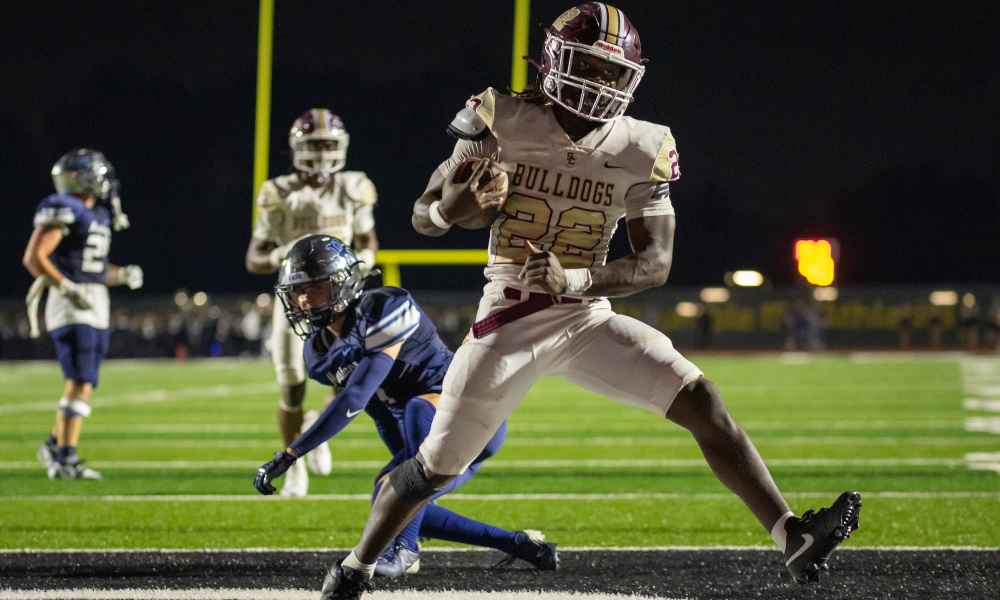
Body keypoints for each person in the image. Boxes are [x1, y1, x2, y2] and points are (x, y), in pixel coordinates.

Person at [320, 5, 862, 598]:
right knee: (432, 468)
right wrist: (455, 208)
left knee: (701, 398)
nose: (601, 84)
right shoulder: (501, 116)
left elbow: (655, 263)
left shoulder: (643, 144)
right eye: (589, 67)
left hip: (585, 316)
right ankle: (355, 568)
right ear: (556, 62)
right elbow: (424, 216)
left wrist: (576, 282)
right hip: (509, 317)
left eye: (612, 72)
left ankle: (792, 535)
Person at [253, 235, 558, 577]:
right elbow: (380, 413)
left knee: (414, 414)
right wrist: (404, 481)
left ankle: (406, 550)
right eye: (297, 291)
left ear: (343, 283)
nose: (305, 299)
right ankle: (524, 546)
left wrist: (292, 453)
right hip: (426, 436)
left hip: (472, 416)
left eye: (315, 288)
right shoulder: (319, 351)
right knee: (388, 498)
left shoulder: (385, 307)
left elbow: (356, 398)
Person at [246, 109, 380, 497]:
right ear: (297, 149)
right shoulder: (279, 192)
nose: (322, 153)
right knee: (292, 385)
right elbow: (253, 257)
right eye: (314, 145)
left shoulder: (353, 186)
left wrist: (366, 259)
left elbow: (369, 238)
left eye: (328, 144)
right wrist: (278, 255)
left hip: (342, 301)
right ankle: (294, 465)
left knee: (348, 381)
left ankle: (316, 429)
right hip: (297, 302)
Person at [24, 149, 143, 480]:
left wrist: (120, 276)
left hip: (93, 300)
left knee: (86, 381)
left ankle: (54, 445)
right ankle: (65, 459)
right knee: (79, 381)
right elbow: (35, 257)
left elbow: (91, 268)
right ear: (81, 176)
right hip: (70, 301)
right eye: (99, 174)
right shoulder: (65, 206)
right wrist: (65, 287)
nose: (104, 182)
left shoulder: (98, 214)